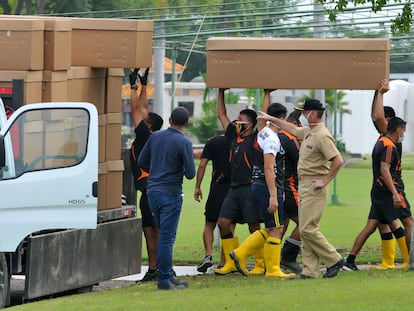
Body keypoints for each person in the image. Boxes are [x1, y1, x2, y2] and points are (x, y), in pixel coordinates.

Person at [259, 98, 345, 279]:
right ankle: (310, 271)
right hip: (305, 184)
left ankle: (334, 259)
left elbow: (338, 160)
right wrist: (270, 118)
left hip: (314, 185)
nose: (302, 116)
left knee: (307, 229)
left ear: (312, 114)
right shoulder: (309, 131)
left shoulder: (322, 135)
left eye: (304, 112)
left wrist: (325, 181)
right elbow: (290, 127)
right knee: (306, 228)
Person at [344, 79, 412, 271]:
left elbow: (376, 115)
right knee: (406, 222)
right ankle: (409, 261)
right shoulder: (387, 140)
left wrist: (379, 93)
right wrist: (379, 93)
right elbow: (377, 115)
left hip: (380, 189)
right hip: (389, 188)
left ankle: (354, 260)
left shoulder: (386, 139)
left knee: (376, 224)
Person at [229, 90, 295, 278]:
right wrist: (274, 195)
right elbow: (269, 168)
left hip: (258, 185)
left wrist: (266, 95)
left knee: (269, 227)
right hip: (266, 186)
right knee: (277, 228)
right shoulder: (273, 139)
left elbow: (261, 118)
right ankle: (273, 270)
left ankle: (240, 253)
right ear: (281, 118)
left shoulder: (263, 131)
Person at [138, 106, 196, 290]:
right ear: (186, 123)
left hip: (152, 191)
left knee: (163, 235)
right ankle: (164, 279)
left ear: (170, 119)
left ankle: (169, 275)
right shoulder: (184, 143)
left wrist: (156, 170)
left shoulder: (155, 137)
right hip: (170, 192)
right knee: (166, 238)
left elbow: (141, 161)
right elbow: (190, 173)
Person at [214, 88, 262, 276]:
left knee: (254, 227)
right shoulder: (234, 136)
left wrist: (266, 93)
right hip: (233, 189)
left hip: (250, 187)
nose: (237, 122)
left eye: (241, 120)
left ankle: (260, 264)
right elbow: (221, 114)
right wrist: (220, 91)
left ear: (250, 124)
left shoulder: (257, 138)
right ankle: (230, 263)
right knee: (223, 223)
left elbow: (264, 119)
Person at [128, 68, 164, 282]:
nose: (144, 114)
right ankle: (153, 270)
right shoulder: (150, 133)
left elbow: (134, 109)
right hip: (149, 191)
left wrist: (132, 86)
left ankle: (160, 268)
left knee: (155, 233)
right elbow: (142, 107)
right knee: (150, 231)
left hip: (150, 191)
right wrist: (144, 86)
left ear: (148, 124)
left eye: (146, 118)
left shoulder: (144, 135)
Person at [194, 133, 232, 273]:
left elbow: (202, 165)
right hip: (233, 189)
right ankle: (224, 261)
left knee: (209, 223)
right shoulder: (238, 143)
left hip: (217, 187)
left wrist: (198, 186)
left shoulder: (213, 142)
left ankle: (208, 255)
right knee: (229, 224)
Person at [279, 110, 303, 274]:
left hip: (277, 186)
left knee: (281, 225)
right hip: (289, 185)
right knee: (306, 222)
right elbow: (303, 161)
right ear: (294, 124)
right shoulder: (290, 139)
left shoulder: (276, 136)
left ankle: (270, 259)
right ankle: (288, 257)